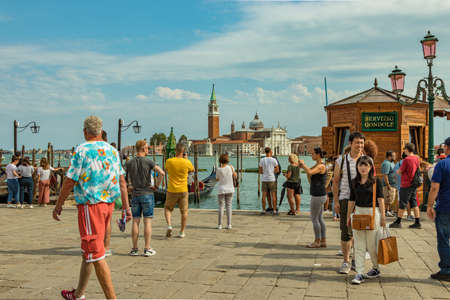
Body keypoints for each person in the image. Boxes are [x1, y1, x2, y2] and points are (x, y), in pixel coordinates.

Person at [53, 116, 131, 300]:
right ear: (100, 130)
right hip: (108, 205)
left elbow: (70, 180)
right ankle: (78, 293)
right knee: (89, 251)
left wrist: (58, 204)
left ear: (85, 131)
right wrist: (126, 208)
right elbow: (121, 181)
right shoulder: (112, 151)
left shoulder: (82, 150)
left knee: (95, 255)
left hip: (90, 205)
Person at [347, 156, 386, 284]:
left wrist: (383, 217)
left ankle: (375, 267)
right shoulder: (354, 182)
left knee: (372, 245)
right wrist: (348, 216)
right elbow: (351, 200)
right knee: (358, 245)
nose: (363, 168)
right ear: (357, 167)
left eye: (366, 165)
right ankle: (359, 273)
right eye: (361, 165)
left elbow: (381, 200)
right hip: (358, 213)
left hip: (373, 214)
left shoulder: (376, 181)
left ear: (370, 167)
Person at [333, 132, 365, 274]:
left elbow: (372, 181)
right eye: (357, 142)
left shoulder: (366, 160)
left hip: (362, 201)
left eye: (362, 143)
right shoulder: (341, 160)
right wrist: (336, 201)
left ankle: (356, 261)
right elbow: (335, 181)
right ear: (350, 143)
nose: (360, 145)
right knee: (346, 232)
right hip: (345, 199)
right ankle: (346, 261)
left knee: (360, 232)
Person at [126, 140, 165, 256]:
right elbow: (162, 173)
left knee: (135, 221)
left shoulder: (129, 162)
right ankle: (147, 248)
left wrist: (130, 186)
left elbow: (126, 178)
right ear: (143, 148)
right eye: (147, 148)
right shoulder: (149, 161)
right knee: (147, 222)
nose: (148, 150)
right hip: (147, 193)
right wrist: (156, 186)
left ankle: (134, 249)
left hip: (135, 195)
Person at [427, 137, 450, 282]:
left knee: (443, 239)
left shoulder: (442, 165)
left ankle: (446, 270)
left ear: (447, 148)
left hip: (446, 206)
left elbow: (434, 187)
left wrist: (429, 205)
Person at [164, 143, 195, 238]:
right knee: (184, 212)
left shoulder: (169, 161)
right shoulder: (187, 162)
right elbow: (192, 170)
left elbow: (166, 170)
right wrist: (186, 159)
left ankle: (169, 225)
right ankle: (182, 232)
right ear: (183, 152)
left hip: (172, 190)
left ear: (175, 151)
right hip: (183, 190)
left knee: (167, 209)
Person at [300, 147, 327, 248]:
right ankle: (323, 241)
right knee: (320, 218)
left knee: (314, 218)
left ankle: (317, 241)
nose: (311, 155)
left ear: (318, 155)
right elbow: (309, 173)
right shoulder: (318, 165)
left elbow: (310, 172)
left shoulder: (321, 166)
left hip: (318, 195)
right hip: (320, 194)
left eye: (312, 154)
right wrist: (303, 166)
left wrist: (303, 165)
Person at [390, 143, 421, 229]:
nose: (404, 150)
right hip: (413, 183)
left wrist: (397, 172)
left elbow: (400, 171)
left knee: (402, 202)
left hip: (406, 183)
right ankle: (417, 222)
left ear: (407, 149)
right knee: (414, 203)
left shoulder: (407, 159)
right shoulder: (416, 158)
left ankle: (398, 222)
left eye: (404, 149)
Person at [216, 153, 236, 229]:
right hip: (230, 189)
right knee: (229, 207)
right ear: (227, 160)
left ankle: (219, 225)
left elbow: (217, 179)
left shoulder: (218, 169)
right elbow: (235, 175)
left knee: (221, 207)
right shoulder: (231, 167)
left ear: (220, 160)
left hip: (221, 189)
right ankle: (229, 224)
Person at [259, 147, 280, 215]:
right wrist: (271, 172)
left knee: (263, 196)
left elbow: (260, 171)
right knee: (273, 195)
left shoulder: (262, 160)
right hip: (272, 179)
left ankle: (263, 210)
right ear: (270, 151)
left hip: (264, 179)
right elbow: (277, 170)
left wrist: (265, 172)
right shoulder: (274, 160)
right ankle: (274, 210)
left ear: (265, 152)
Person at [381, 151, 397, 217]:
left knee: (390, 199)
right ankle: (385, 211)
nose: (395, 157)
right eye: (393, 156)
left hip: (393, 184)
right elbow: (385, 175)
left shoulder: (392, 163)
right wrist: (388, 185)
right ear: (389, 156)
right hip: (388, 185)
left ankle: (388, 210)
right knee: (387, 198)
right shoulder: (386, 163)